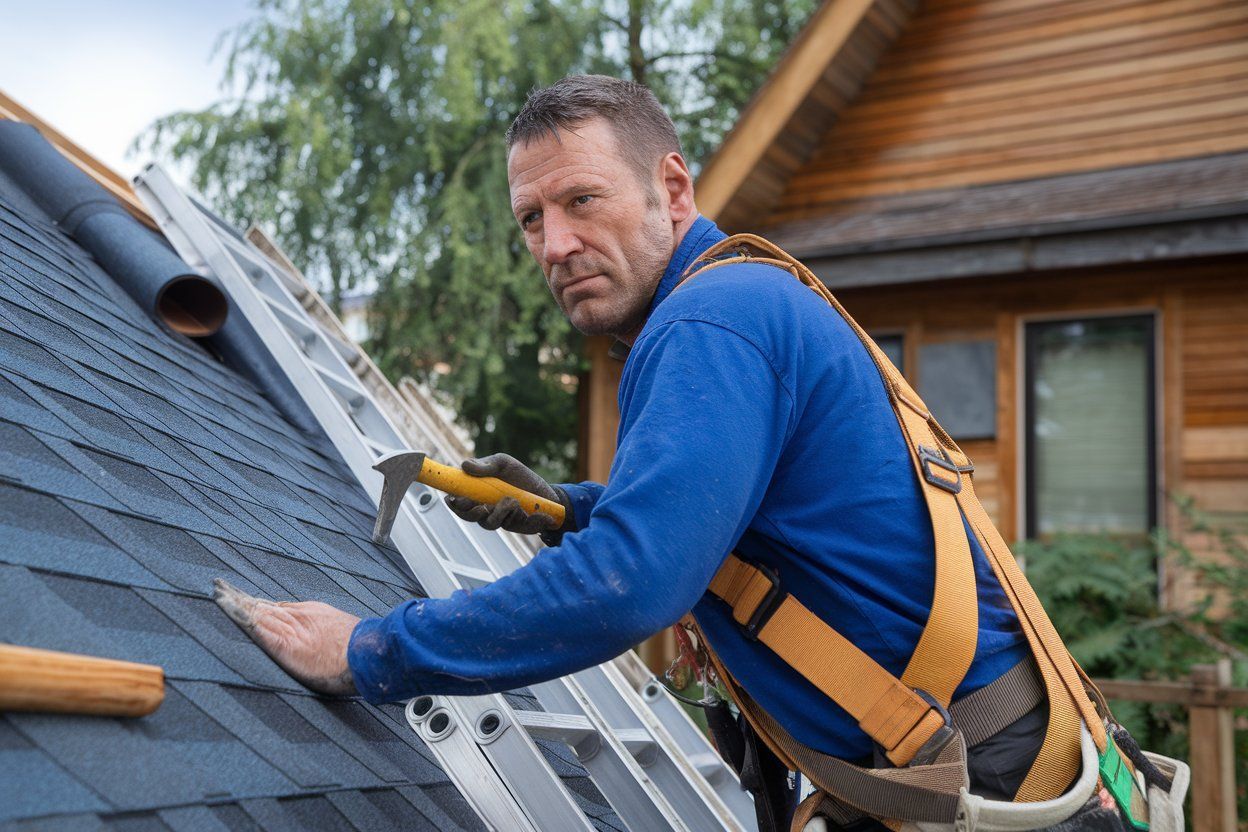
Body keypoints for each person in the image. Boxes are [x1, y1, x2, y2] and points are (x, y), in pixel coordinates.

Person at [215, 75, 1161, 831]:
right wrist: (574, 509)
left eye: (583, 200)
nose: (556, 244)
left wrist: (372, 649)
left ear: (673, 189)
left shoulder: (711, 321)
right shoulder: (743, 301)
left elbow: (632, 586)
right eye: (532, 220)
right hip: (989, 769)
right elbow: (746, 524)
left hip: (980, 783)